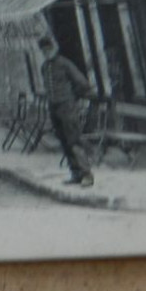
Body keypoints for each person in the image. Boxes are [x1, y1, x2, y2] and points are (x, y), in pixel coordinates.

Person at [38, 35, 96, 187]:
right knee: (64, 142)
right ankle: (75, 173)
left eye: (49, 48)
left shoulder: (64, 64)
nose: (46, 52)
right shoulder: (44, 67)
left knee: (74, 140)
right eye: (43, 50)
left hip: (67, 107)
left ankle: (86, 174)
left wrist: (72, 97)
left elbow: (83, 83)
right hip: (54, 108)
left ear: (54, 48)